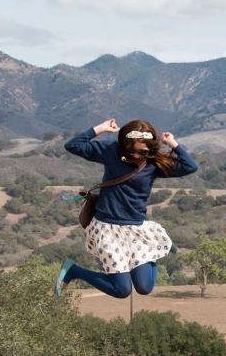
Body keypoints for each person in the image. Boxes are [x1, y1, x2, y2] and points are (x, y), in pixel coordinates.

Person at [54, 118, 198, 298]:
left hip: (136, 229)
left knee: (144, 288)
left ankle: (154, 246)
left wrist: (172, 143)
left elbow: (190, 166)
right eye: (131, 151)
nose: (136, 155)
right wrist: (101, 128)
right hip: (107, 229)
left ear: (150, 149)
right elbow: (73, 145)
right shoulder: (111, 151)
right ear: (124, 145)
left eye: (142, 151)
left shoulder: (153, 163)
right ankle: (73, 271)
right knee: (122, 290)